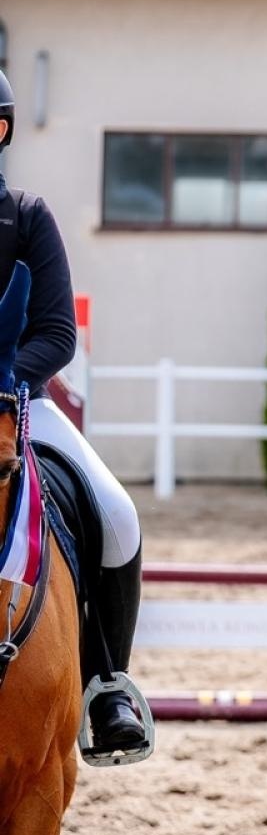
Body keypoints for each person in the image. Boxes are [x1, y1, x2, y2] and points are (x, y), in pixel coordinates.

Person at [0, 68, 152, 762]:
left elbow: (56, 331)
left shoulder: (26, 217)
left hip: (16, 402)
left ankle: (106, 685)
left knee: (117, 516)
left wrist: (8, 382)